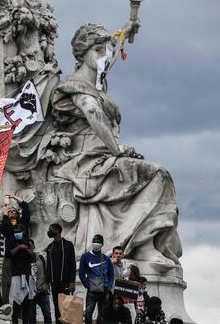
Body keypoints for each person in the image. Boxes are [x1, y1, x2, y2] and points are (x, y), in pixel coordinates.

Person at [50, 22, 181, 272]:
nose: (104, 56)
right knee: (157, 175)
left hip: (104, 156)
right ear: (82, 53)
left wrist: (130, 21)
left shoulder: (98, 82)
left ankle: (143, 243)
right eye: (98, 50)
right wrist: (117, 148)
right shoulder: (76, 85)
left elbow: (114, 47)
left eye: (105, 51)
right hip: (85, 160)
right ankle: (142, 245)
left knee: (156, 175)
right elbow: (92, 113)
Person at [0, 194, 30, 305]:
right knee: (6, 281)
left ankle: (22, 307)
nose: (11, 211)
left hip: (22, 258)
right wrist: (6, 210)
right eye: (10, 211)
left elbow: (25, 207)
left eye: (14, 210)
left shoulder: (23, 224)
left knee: (23, 281)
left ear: (18, 214)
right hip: (10, 257)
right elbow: (3, 228)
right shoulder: (6, 225)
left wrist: (14, 197)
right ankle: (5, 305)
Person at [45, 223, 76, 324]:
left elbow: (72, 263)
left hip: (65, 283)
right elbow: (48, 266)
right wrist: (47, 282)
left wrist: (72, 281)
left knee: (66, 309)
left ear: (58, 230)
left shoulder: (68, 245)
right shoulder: (50, 247)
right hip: (55, 283)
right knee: (57, 309)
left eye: (52, 229)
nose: (50, 231)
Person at [79, 234, 114, 324]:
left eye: (98, 242)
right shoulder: (85, 256)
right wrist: (87, 285)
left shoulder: (106, 258)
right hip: (92, 289)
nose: (96, 244)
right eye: (94, 242)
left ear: (102, 244)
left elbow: (111, 275)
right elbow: (81, 273)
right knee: (88, 312)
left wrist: (109, 286)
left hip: (105, 289)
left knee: (103, 314)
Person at [8, 224, 34, 324]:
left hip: (27, 275)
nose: (17, 233)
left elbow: (32, 260)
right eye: (15, 232)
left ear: (23, 232)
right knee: (16, 303)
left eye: (19, 231)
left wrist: (31, 253)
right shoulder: (11, 242)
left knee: (27, 304)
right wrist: (19, 247)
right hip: (17, 276)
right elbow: (9, 254)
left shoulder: (28, 243)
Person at [29, 239, 51, 324]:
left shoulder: (41, 258)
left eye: (30, 246)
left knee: (47, 315)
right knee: (31, 317)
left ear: (34, 247)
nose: (29, 249)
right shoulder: (24, 260)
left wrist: (46, 283)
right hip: (31, 294)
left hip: (42, 291)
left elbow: (47, 272)